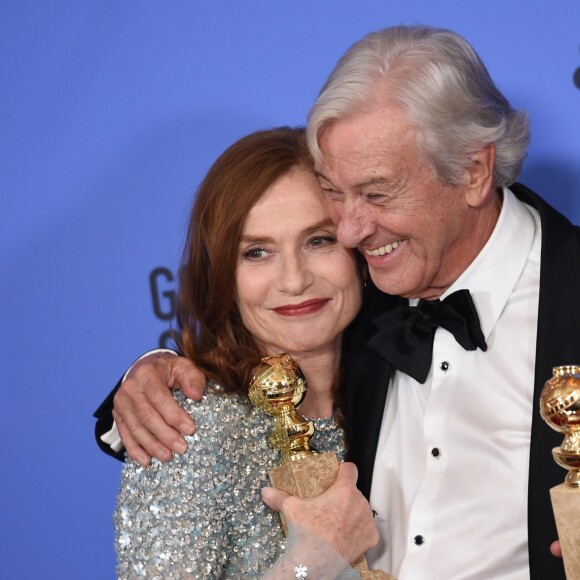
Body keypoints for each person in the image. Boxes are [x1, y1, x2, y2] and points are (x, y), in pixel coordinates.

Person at [95, 26, 579, 579]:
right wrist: (148, 374)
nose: (350, 230)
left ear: (473, 171)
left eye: (376, 193)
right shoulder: (370, 288)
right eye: (335, 194)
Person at [111, 127, 380, 578]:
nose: (294, 280)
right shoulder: (190, 429)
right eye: (257, 252)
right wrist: (314, 561)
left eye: (319, 240)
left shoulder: (399, 387)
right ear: (221, 277)